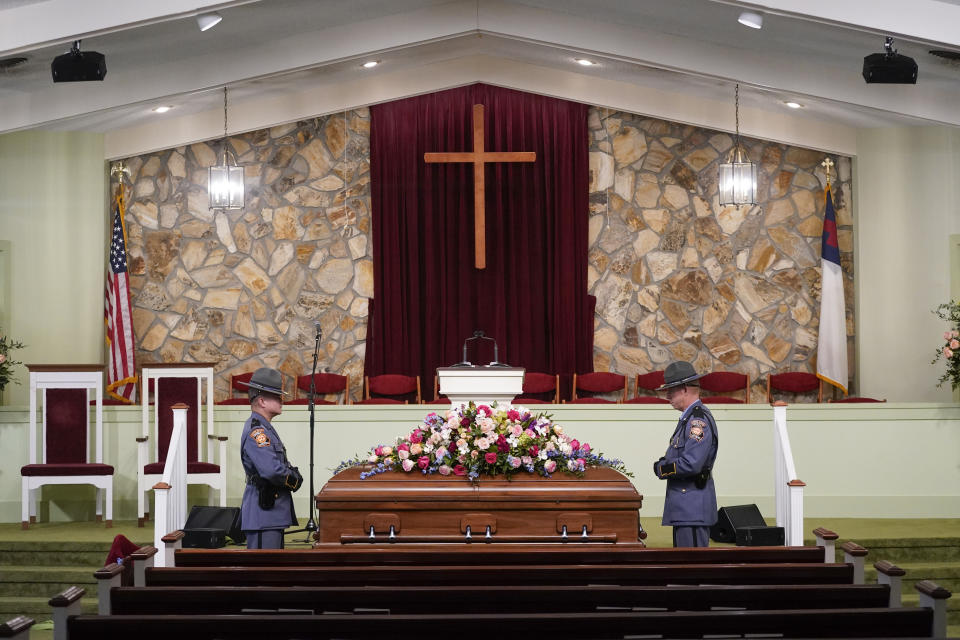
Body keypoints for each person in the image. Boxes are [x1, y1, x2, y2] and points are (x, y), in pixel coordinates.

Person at [652, 361, 719, 548]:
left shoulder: (697, 421)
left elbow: (692, 463)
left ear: (684, 389)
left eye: (671, 390)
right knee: (685, 566)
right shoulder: (689, 418)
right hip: (687, 507)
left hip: (692, 507)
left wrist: (661, 468)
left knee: (694, 567)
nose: (667, 396)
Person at [238, 367, 302, 549]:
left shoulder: (265, 428)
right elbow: (271, 470)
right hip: (263, 513)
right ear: (262, 401)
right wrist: (292, 479)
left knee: (273, 571)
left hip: (270, 512)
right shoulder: (257, 431)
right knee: (262, 572)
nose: (282, 400)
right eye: (277, 396)